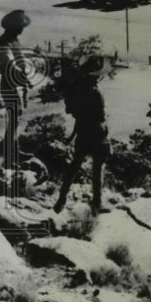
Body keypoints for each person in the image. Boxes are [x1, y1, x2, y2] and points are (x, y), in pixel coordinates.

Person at [53, 55, 111, 214]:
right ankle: (97, 203)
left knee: (74, 166)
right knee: (98, 168)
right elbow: (100, 116)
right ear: (96, 75)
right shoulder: (96, 92)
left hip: (82, 132)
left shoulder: (75, 88)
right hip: (97, 133)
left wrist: (72, 135)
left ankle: (61, 199)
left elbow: (71, 111)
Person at [0, 10, 34, 169]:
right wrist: (22, 77)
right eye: (20, 26)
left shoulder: (13, 40)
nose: (22, 29)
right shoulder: (4, 42)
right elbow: (8, 65)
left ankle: (11, 149)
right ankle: (8, 155)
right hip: (9, 83)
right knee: (14, 118)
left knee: (16, 117)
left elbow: (19, 60)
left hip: (15, 83)